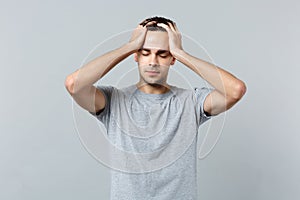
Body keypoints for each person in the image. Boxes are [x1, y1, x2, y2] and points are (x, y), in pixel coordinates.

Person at [65, 16, 246, 200]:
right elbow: (74, 84)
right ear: (135, 56)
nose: (153, 61)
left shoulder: (190, 102)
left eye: (162, 54)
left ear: (172, 59)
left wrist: (181, 53)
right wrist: (128, 47)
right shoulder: (113, 101)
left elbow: (235, 90)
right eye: (145, 52)